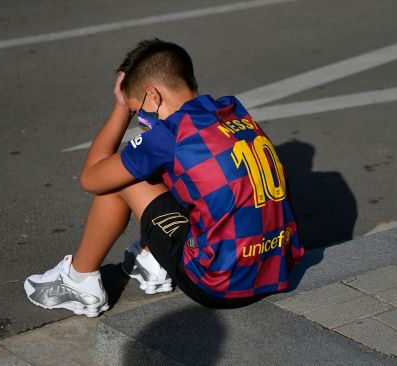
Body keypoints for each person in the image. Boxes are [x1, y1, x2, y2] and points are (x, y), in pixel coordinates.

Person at [24, 39, 304, 316]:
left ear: (153, 95)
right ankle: (151, 258)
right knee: (171, 171)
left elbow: (92, 177)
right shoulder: (232, 111)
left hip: (219, 283)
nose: (140, 117)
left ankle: (79, 279)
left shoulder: (170, 132)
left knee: (121, 179)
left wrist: (121, 107)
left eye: (138, 109)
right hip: (276, 268)